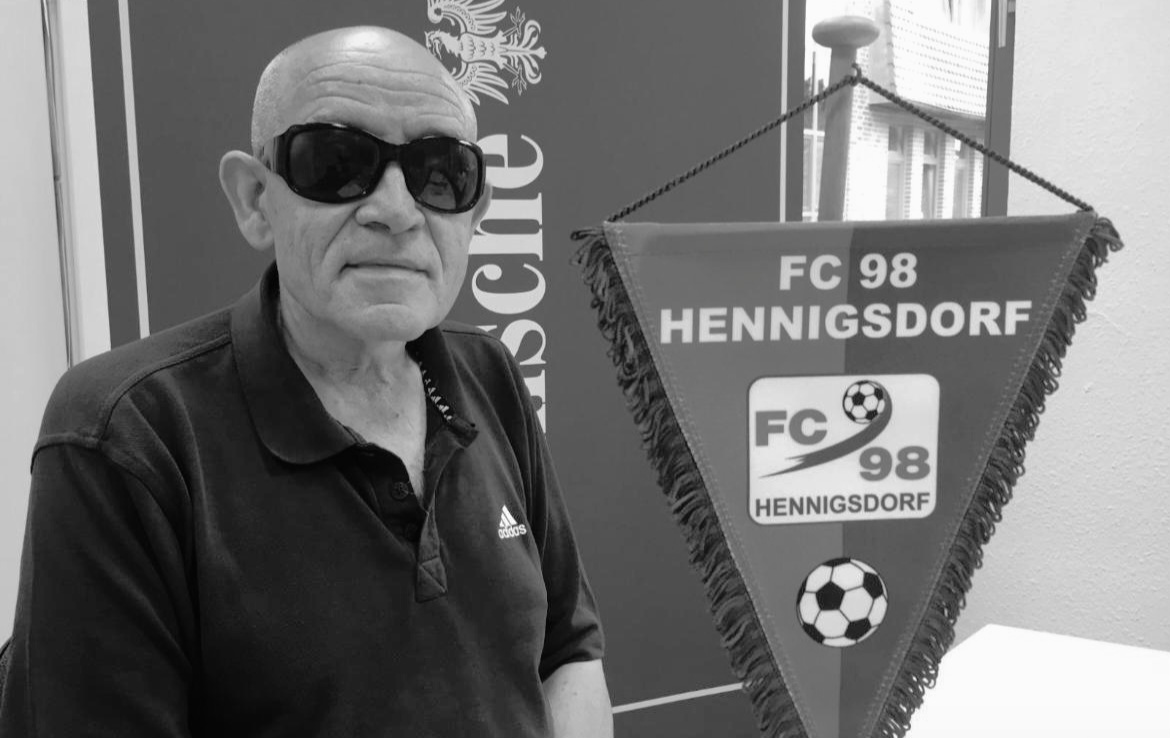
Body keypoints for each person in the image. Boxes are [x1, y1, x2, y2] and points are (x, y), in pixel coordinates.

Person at [0, 26, 610, 737]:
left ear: (473, 213)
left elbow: (568, 651)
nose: (397, 211)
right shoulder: (125, 435)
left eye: (441, 173)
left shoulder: (490, 375)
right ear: (255, 200)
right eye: (337, 163)